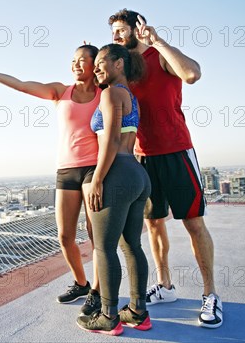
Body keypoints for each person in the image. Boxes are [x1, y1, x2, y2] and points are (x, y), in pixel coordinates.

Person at [109, 9, 223, 328]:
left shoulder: (160, 57)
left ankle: (210, 294)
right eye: (113, 33)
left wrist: (158, 41)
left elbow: (192, 74)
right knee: (154, 224)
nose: (116, 37)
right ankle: (166, 286)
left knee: (194, 224)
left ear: (137, 28)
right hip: (143, 157)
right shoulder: (123, 69)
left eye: (121, 30)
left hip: (176, 151)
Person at [0, 44, 102, 315]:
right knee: (65, 235)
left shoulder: (106, 95)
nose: (76, 65)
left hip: (95, 169)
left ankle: (98, 293)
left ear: (95, 64)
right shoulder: (60, 91)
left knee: (97, 237)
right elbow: (22, 85)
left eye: (82, 60)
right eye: (73, 61)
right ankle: (81, 283)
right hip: (67, 169)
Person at [75, 44, 152, 336]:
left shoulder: (109, 94)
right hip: (137, 175)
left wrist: (97, 180)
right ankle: (137, 311)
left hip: (116, 173)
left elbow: (109, 140)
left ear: (119, 63)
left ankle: (108, 315)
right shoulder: (131, 96)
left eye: (100, 63)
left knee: (104, 248)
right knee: (131, 245)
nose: (95, 69)